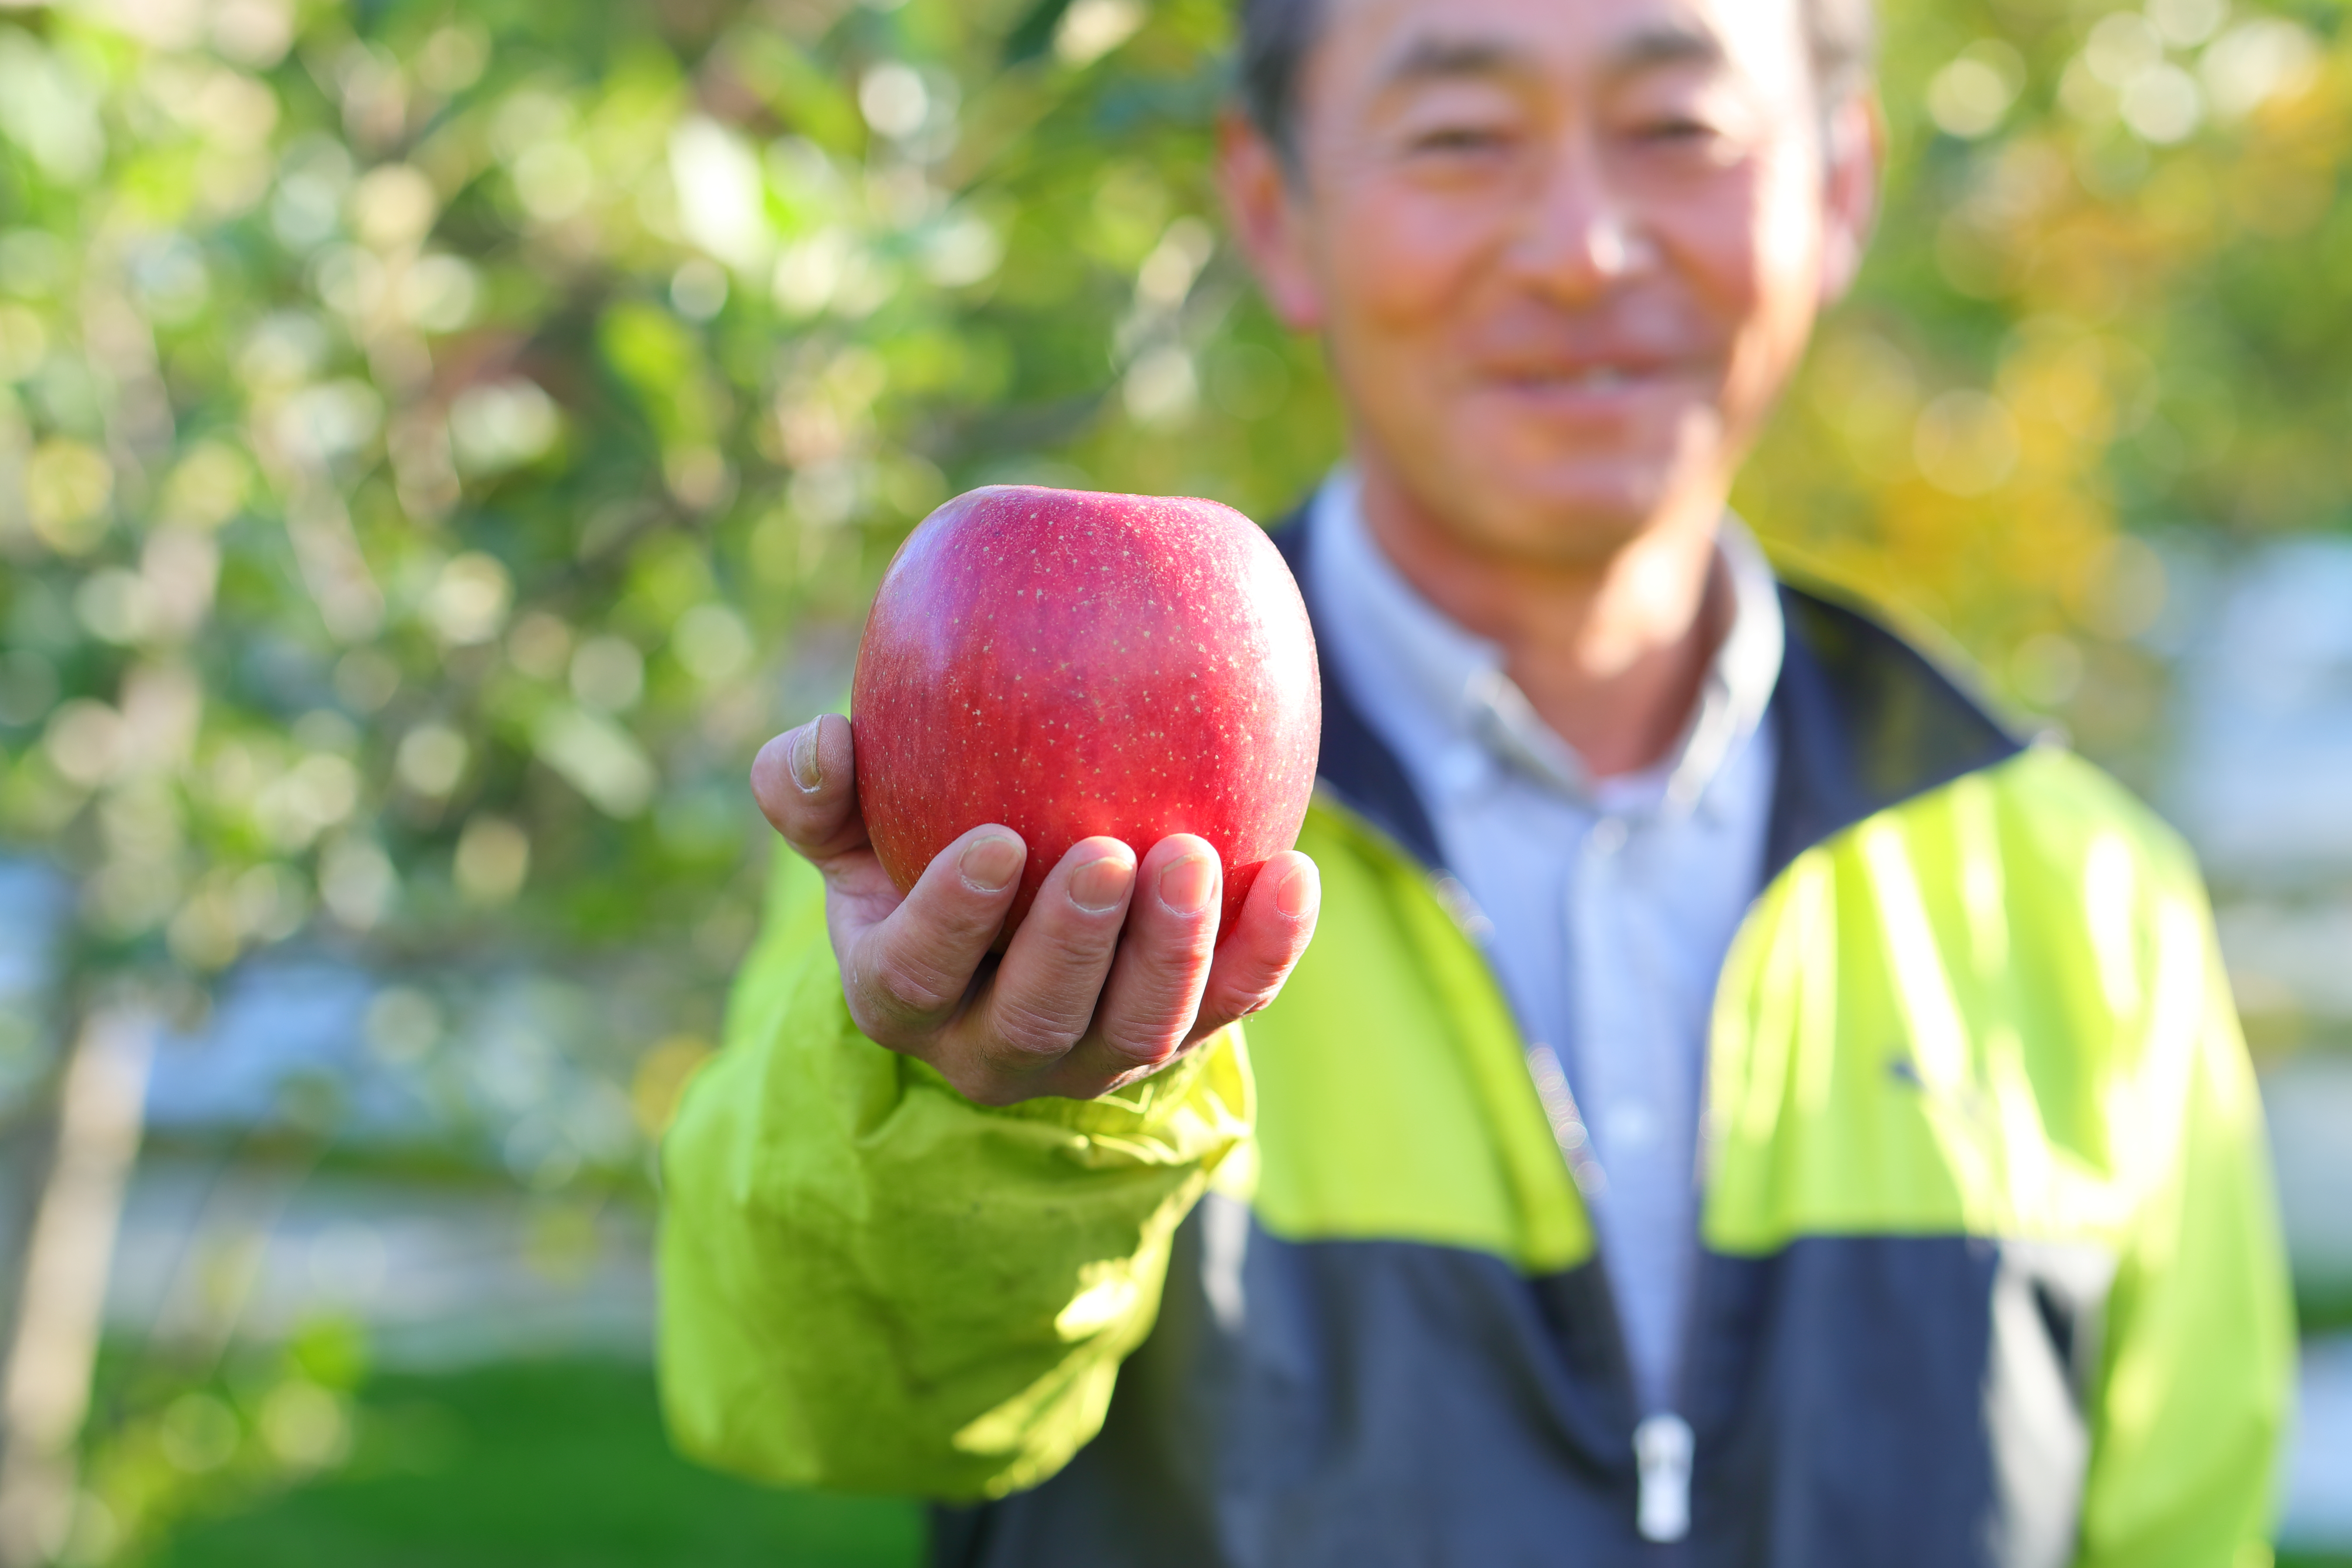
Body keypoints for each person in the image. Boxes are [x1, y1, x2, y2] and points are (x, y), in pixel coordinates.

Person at [657, 0, 2294, 1561]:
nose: (1582, 249)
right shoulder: (992, 827)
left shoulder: (2086, 901)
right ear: (1276, 208)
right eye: (1457, 135)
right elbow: (809, 1407)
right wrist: (983, 1116)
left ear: (1839, 188)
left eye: (1678, 126)